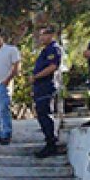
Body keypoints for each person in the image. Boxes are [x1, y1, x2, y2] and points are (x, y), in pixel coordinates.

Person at [30, 26, 65, 158]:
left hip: (46, 85)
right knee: (41, 114)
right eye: (40, 35)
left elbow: (52, 66)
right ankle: (49, 140)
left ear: (51, 35)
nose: (41, 37)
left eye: (43, 34)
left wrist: (36, 77)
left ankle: (51, 143)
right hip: (40, 87)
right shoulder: (45, 50)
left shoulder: (53, 49)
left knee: (45, 114)